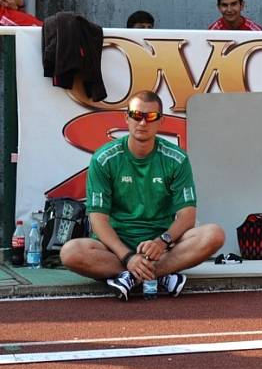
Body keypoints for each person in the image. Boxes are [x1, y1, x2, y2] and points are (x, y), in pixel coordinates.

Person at [60, 90, 225, 300]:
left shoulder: (177, 159)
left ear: (160, 121)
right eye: (136, 115)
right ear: (126, 118)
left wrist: (161, 241)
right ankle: (157, 275)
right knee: (70, 252)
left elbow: (187, 216)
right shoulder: (104, 159)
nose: (142, 122)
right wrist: (128, 256)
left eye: (151, 117)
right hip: (116, 247)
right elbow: (98, 220)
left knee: (214, 235)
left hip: (161, 247)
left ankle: (133, 275)